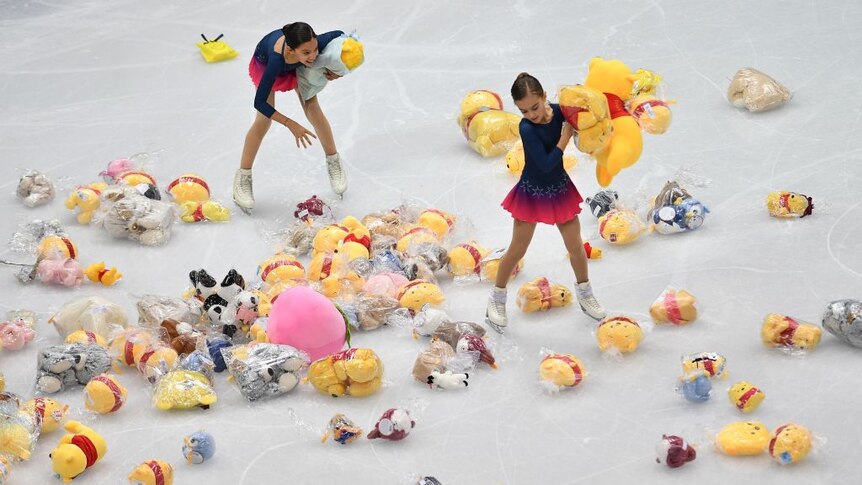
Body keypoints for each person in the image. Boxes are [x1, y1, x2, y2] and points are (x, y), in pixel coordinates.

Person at [485, 72, 606, 333]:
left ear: (544, 97)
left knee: (576, 246)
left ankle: (585, 292)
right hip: (533, 191)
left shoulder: (560, 112)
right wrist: (564, 139)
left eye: (535, 106)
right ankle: (496, 298)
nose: (531, 114)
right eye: (524, 110)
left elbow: (586, 119)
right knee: (517, 250)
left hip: (559, 189)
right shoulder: (526, 128)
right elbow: (546, 163)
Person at [233, 22, 347, 213]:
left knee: (312, 107)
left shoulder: (311, 46)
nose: (314, 56)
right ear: (292, 50)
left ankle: (333, 161)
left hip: (296, 67)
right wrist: (290, 123)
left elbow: (343, 37)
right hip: (266, 62)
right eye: (306, 52)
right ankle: (243, 177)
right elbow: (260, 102)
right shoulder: (275, 61)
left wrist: (337, 69)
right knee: (263, 120)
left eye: (315, 49)